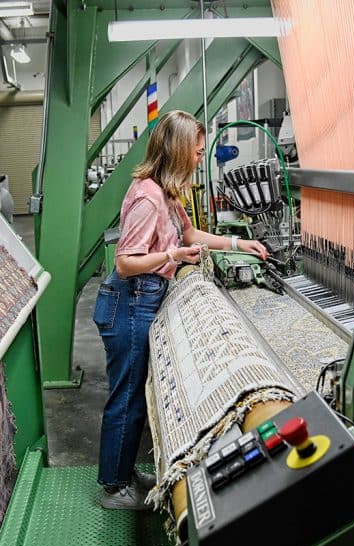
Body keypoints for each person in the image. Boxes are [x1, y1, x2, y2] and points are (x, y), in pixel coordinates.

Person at [93, 110, 268, 510]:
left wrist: (239, 245)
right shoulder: (148, 197)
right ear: (177, 150)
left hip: (142, 297)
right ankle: (114, 489)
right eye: (196, 151)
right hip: (129, 300)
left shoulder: (168, 193)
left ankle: (123, 474)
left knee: (134, 391)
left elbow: (190, 234)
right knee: (127, 394)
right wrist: (171, 255)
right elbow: (125, 262)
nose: (198, 158)